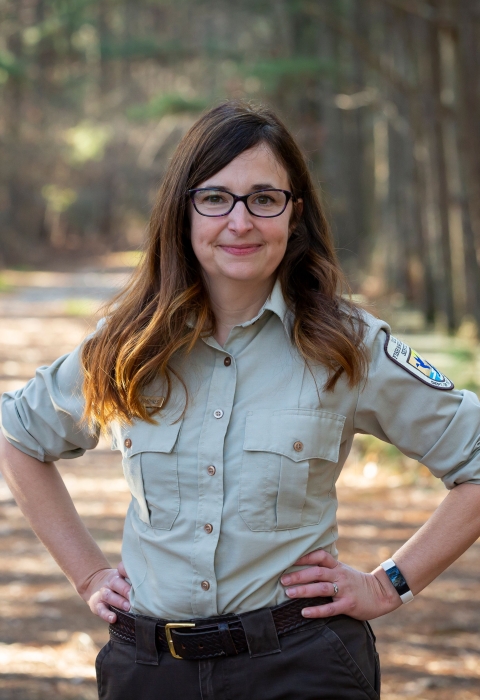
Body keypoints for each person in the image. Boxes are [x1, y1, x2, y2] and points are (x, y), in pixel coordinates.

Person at [2, 101, 480, 700]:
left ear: (294, 213)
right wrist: (87, 573)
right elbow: (17, 437)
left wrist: (388, 585)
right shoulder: (127, 344)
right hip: (149, 673)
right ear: (184, 211)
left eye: (263, 198)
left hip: (300, 669)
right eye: (215, 198)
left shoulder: (346, 346)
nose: (240, 220)